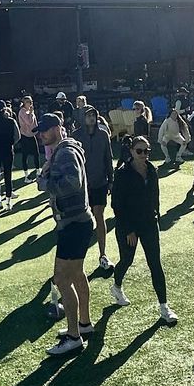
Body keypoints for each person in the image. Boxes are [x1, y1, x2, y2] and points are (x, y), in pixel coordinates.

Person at [36, 113, 94, 357]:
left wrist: (45, 181)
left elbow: (73, 183)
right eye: (39, 131)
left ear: (58, 128)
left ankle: (73, 336)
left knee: (61, 279)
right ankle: (84, 323)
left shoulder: (66, 152)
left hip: (73, 223)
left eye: (46, 130)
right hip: (78, 222)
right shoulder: (64, 150)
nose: (41, 135)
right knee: (77, 274)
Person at [110, 136, 176, 324]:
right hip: (128, 225)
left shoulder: (152, 170)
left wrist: (158, 215)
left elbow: (155, 196)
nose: (143, 155)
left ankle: (164, 307)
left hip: (149, 222)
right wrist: (129, 230)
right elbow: (117, 204)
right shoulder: (122, 174)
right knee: (127, 260)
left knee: (155, 263)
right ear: (131, 151)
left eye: (147, 151)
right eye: (139, 151)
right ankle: (117, 286)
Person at [78, 107, 115, 271]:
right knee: (84, 221)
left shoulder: (103, 134)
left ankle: (103, 255)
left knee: (99, 216)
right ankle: (77, 261)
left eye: (93, 115)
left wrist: (111, 179)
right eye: (88, 116)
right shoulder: (76, 136)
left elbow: (108, 157)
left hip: (100, 182)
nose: (91, 118)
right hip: (82, 185)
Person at [16, 95, 40, 179]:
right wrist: (31, 113)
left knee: (36, 154)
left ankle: (38, 171)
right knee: (25, 155)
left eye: (30, 102)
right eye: (28, 102)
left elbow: (34, 123)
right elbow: (29, 122)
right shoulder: (22, 112)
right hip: (25, 135)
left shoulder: (30, 111)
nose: (30, 104)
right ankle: (26, 175)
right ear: (24, 103)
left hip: (32, 134)